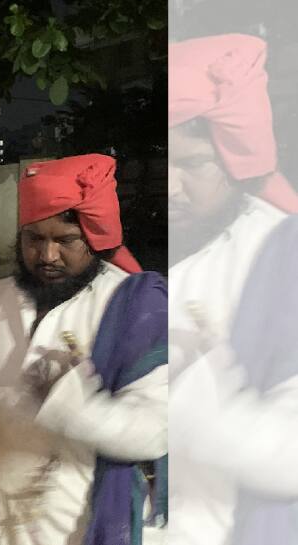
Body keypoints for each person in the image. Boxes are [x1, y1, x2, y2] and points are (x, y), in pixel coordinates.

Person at [0, 154, 168, 545]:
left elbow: (154, 432)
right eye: (34, 239)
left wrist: (71, 402)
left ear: (93, 239)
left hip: (80, 527)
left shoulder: (132, 309)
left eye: (65, 241)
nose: (47, 256)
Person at [168, 33, 298, 545]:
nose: (173, 186)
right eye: (167, 161)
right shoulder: (185, 255)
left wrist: (184, 402)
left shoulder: (278, 258)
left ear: (236, 157)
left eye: (194, 164)